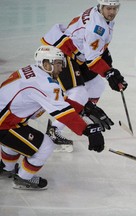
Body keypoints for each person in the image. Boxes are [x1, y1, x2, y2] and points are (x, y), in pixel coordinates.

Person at [0, 45, 108, 190]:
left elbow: (60, 101)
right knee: (45, 145)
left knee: (18, 139)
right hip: (4, 125)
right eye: (58, 63)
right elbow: (64, 113)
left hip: (8, 121)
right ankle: (23, 178)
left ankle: (7, 168)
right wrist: (89, 131)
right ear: (46, 64)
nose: (62, 68)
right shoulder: (45, 84)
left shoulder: (34, 70)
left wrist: (86, 110)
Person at [40, 0, 127, 151]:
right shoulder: (97, 27)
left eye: (114, 8)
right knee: (77, 93)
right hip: (60, 52)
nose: (112, 12)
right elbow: (92, 60)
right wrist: (109, 73)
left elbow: (98, 49)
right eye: (108, 8)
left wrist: (110, 71)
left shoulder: (101, 16)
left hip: (76, 53)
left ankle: (80, 114)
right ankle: (54, 130)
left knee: (97, 85)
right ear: (101, 7)